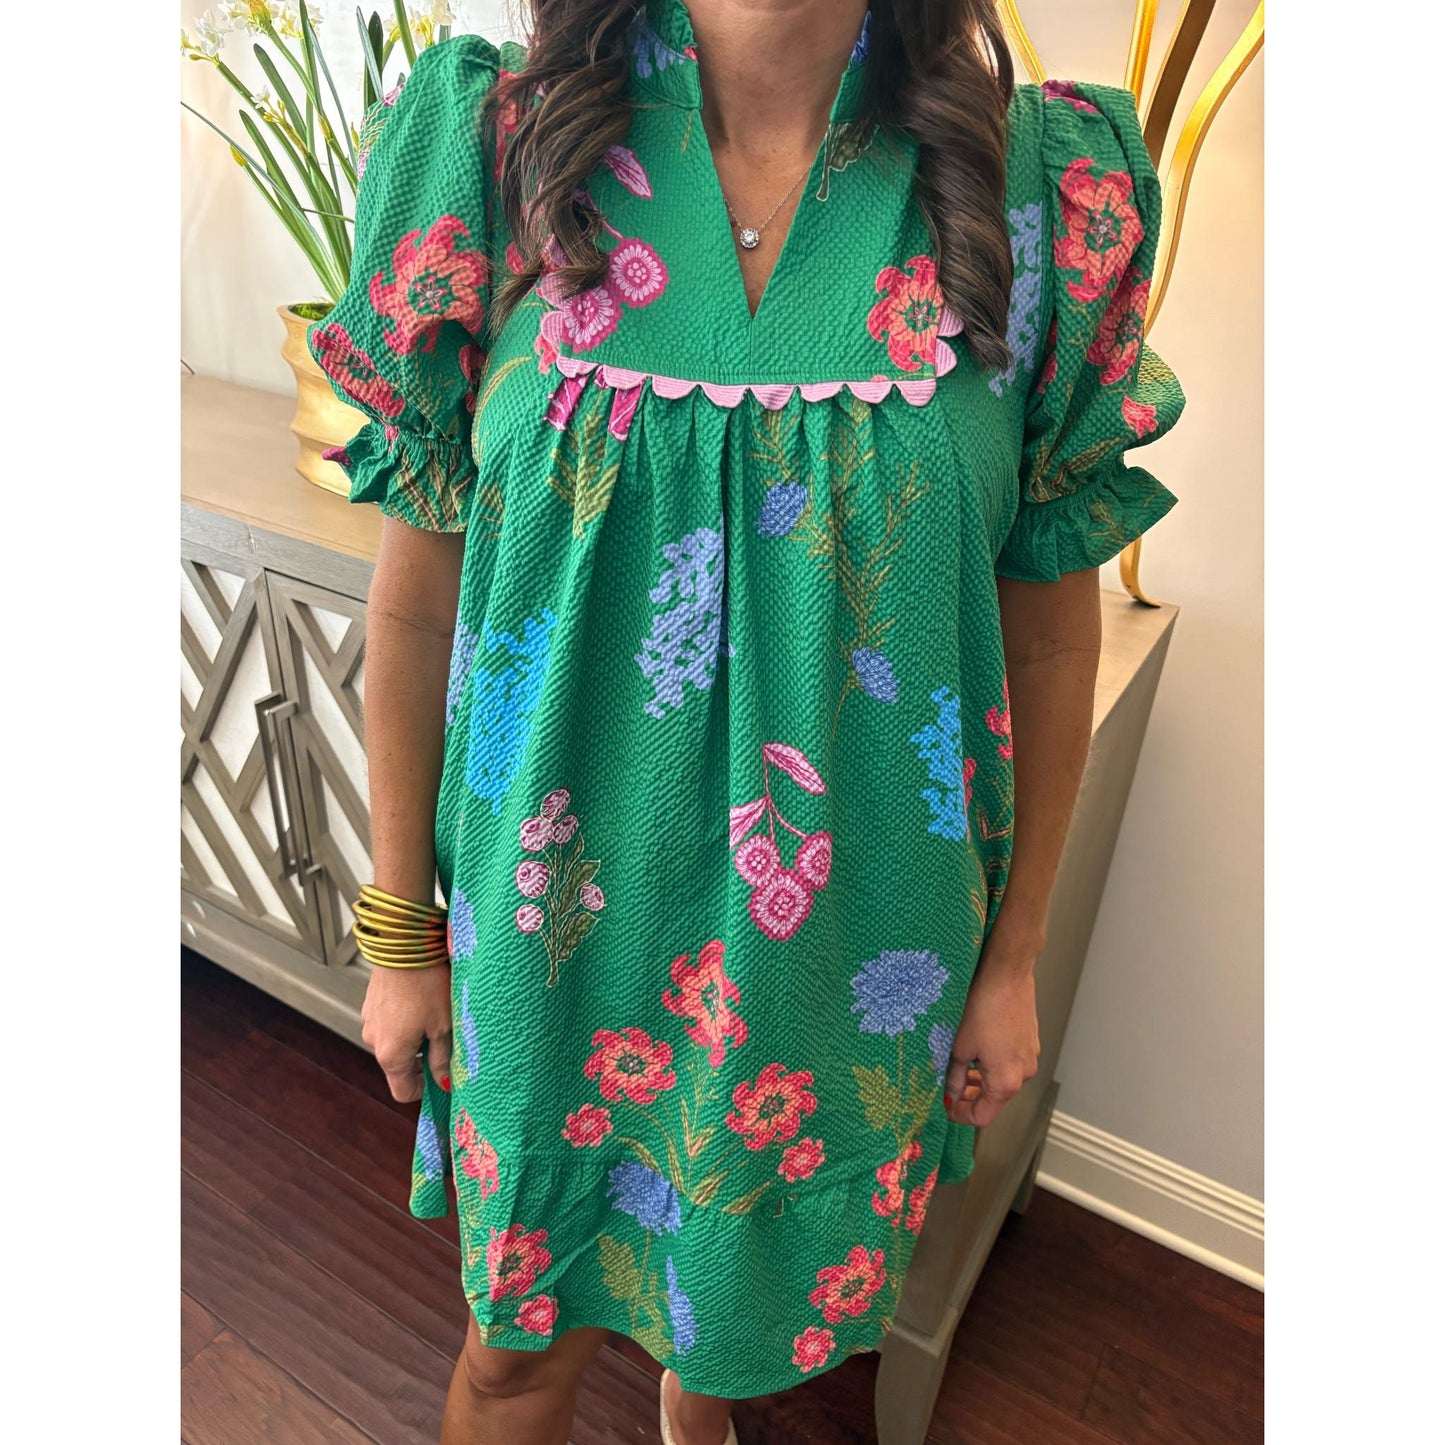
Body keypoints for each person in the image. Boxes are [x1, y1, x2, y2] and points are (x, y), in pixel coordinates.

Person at [309, 2, 1184, 1441]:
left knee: (737, 1321)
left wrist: (1014, 954)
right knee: (515, 1350)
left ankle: (693, 1417)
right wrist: (400, 930)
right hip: (551, 935)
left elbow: (1042, 621)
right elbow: (416, 599)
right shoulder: (495, 145)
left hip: (847, 943)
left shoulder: (1031, 183)